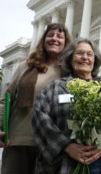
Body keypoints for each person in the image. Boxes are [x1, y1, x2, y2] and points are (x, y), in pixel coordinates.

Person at [31, 37, 101, 174]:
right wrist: (65, 146)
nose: (85, 57)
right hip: (62, 164)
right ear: (70, 58)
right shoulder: (55, 87)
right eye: (79, 53)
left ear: (95, 60)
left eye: (89, 54)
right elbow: (39, 118)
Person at [0, 23, 71, 174]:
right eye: (50, 35)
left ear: (66, 43)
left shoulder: (69, 71)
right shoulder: (26, 65)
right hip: (20, 138)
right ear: (43, 40)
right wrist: (0, 127)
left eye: (60, 36)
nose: (54, 39)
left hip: (52, 142)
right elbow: (6, 98)